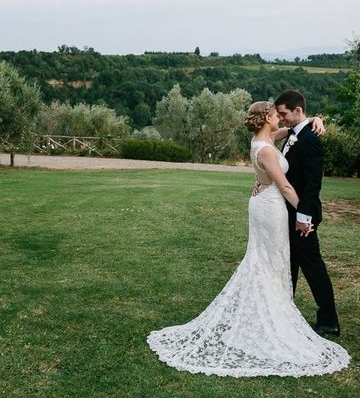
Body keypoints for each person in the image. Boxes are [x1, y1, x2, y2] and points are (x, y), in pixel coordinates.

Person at [147, 101, 349, 377]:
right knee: (267, 260)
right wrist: (306, 213)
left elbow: (294, 130)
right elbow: (285, 185)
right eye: (276, 115)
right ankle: (270, 318)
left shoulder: (265, 139)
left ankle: (280, 313)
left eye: (282, 114)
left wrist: (318, 119)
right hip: (272, 207)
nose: (280, 118)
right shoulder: (265, 148)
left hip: (267, 202)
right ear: (267, 117)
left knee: (274, 260)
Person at [274, 90, 340, 336]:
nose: (282, 119)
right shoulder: (294, 134)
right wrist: (315, 118)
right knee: (289, 264)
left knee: (313, 267)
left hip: (303, 217)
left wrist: (304, 218)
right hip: (288, 214)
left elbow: (313, 185)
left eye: (284, 114)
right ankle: (284, 310)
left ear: (297, 111)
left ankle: (328, 320)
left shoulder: (311, 141)